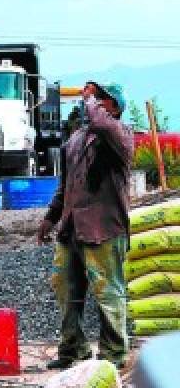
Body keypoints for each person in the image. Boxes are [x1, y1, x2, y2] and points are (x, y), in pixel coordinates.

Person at [37, 81, 133, 370]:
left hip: (103, 229)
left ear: (113, 106)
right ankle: (73, 351)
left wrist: (92, 105)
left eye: (100, 99)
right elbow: (65, 186)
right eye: (91, 98)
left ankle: (113, 355)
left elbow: (103, 126)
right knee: (66, 290)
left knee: (107, 292)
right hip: (72, 229)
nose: (91, 102)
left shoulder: (119, 134)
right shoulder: (77, 139)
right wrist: (51, 217)